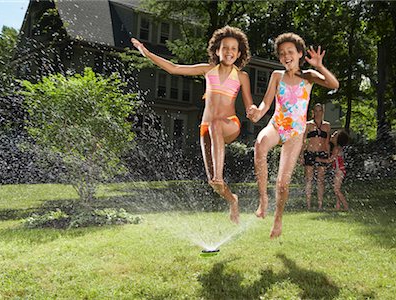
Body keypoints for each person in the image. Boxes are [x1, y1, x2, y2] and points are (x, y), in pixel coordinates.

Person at [131, 26, 254, 224]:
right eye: (225, 48)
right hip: (207, 129)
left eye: (233, 49)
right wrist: (145, 52)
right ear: (217, 50)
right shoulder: (208, 70)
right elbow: (174, 68)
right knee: (213, 183)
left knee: (216, 143)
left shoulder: (241, 76)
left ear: (239, 53)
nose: (229, 52)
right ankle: (232, 200)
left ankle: (220, 174)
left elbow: (249, 105)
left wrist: (253, 111)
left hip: (229, 125)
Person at [247, 32, 339, 238]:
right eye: (281, 53)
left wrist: (319, 66)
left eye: (290, 52)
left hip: (295, 134)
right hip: (276, 125)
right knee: (260, 144)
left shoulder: (309, 76)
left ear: (299, 54)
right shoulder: (276, 76)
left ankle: (278, 219)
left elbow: (334, 85)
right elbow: (265, 105)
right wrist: (256, 113)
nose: (285, 56)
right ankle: (263, 200)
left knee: (282, 184)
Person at [300, 103, 331, 210]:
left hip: (322, 153)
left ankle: (320, 205)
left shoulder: (327, 125)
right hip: (310, 152)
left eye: (320, 111)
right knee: (309, 179)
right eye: (316, 111)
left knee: (321, 180)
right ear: (313, 112)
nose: (318, 113)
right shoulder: (308, 125)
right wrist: (301, 155)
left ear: (323, 112)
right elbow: (303, 141)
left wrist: (328, 156)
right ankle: (308, 205)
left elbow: (327, 142)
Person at [316, 130, 349, 211]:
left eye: (334, 135)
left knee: (336, 189)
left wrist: (319, 159)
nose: (332, 135)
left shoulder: (336, 149)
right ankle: (338, 206)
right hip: (339, 171)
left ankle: (346, 207)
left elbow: (329, 160)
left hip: (339, 171)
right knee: (336, 188)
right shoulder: (337, 148)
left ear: (338, 139)